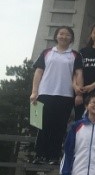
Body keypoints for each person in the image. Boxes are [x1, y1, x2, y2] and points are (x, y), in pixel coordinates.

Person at [31, 26, 84, 163]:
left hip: (65, 95)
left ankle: (54, 156)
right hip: (45, 93)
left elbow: (79, 74)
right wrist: (34, 91)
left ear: (71, 38)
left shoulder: (75, 55)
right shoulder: (47, 52)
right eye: (61, 34)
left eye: (67, 35)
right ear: (56, 36)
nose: (64, 37)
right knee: (41, 125)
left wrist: (79, 93)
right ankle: (39, 155)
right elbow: (38, 72)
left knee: (59, 126)